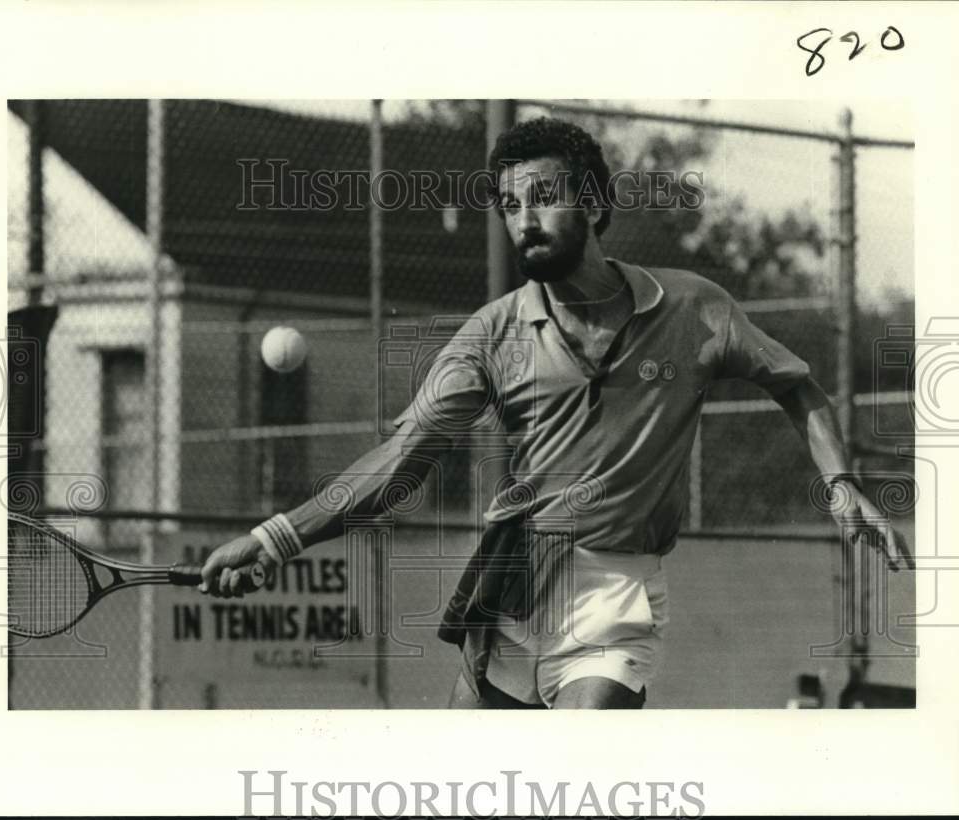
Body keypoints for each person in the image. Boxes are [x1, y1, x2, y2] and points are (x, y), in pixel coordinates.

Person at [200, 117, 910, 709]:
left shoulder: (696, 308)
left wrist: (843, 486)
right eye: (510, 206)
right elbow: (401, 463)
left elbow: (799, 387)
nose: (523, 220)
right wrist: (275, 539)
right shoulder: (491, 335)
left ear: (596, 205)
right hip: (512, 577)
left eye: (542, 197)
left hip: (614, 586)